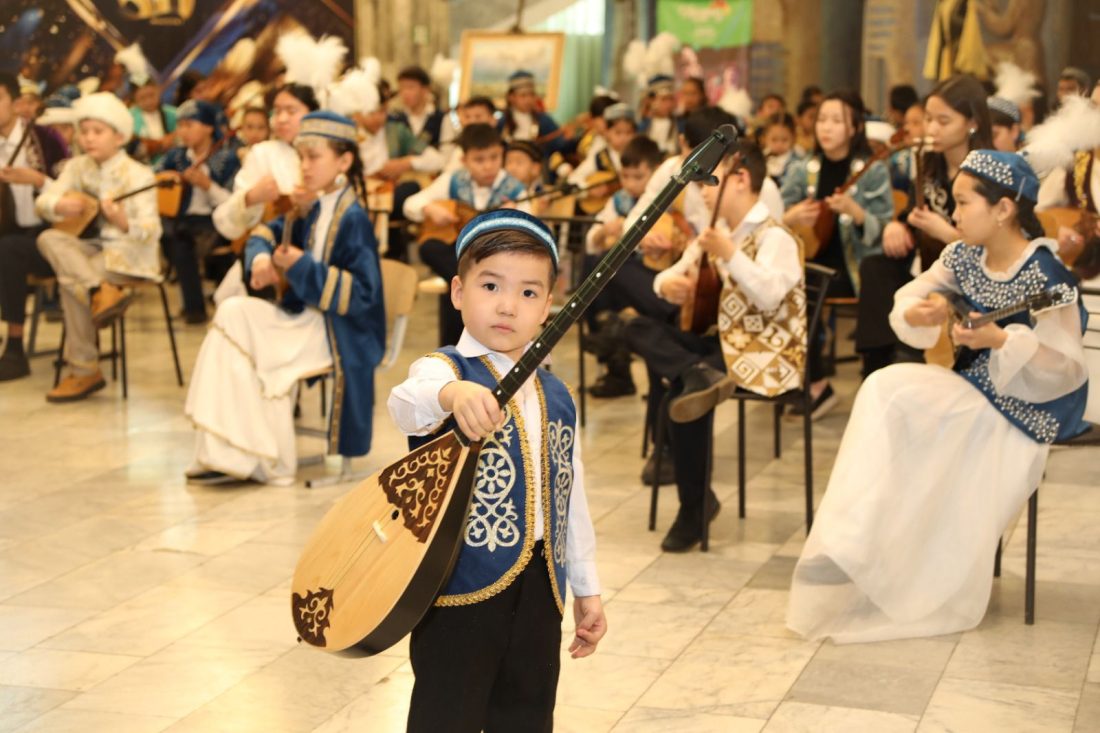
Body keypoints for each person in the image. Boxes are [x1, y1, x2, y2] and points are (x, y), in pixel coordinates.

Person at [787, 149, 1089, 643]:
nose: (955, 214)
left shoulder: (1045, 273)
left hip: (1029, 408)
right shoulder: (964, 255)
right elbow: (911, 294)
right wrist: (919, 311)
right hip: (975, 388)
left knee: (925, 420)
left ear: (1003, 209)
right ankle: (852, 542)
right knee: (885, 387)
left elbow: (1067, 367)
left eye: (964, 203)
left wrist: (1002, 340)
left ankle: (890, 558)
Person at [388, 209, 605, 732]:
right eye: (491, 286)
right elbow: (406, 403)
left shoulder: (557, 394)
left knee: (528, 715)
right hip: (457, 589)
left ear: (548, 306)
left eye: (529, 292)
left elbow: (569, 495)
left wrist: (586, 585)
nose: (508, 305)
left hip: (540, 591)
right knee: (446, 716)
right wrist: (452, 395)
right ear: (458, 291)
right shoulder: (444, 370)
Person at [184, 111, 384, 486]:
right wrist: (261, 258)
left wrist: (302, 267)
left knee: (245, 333)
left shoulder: (352, 218)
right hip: (304, 318)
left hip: (338, 332)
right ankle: (228, 452)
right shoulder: (311, 206)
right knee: (231, 312)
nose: (304, 166)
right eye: (301, 157)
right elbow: (264, 232)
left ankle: (266, 458)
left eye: (314, 157)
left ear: (344, 162)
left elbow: (363, 296)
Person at [625, 141, 804, 551]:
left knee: (686, 396)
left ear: (740, 179)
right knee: (635, 327)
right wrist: (667, 285)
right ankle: (694, 372)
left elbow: (771, 298)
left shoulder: (777, 236)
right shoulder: (715, 232)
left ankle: (694, 507)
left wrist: (731, 255)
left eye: (710, 181)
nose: (701, 190)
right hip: (716, 345)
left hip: (763, 350)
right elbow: (667, 276)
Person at [35, 92, 162, 402]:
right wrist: (59, 205)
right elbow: (44, 202)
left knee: (70, 281)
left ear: (119, 136)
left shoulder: (139, 174)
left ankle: (84, 370)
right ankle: (98, 292)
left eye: (97, 131)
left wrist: (123, 221)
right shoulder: (77, 167)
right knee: (48, 238)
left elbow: (152, 231)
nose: (88, 138)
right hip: (86, 249)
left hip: (128, 254)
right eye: (84, 131)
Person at [780, 90, 894, 410]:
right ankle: (814, 382)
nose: (826, 127)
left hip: (854, 268)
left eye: (836, 120)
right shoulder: (802, 168)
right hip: (811, 264)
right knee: (788, 285)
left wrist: (856, 213)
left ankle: (872, 380)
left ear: (855, 127)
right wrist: (792, 216)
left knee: (874, 277)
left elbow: (885, 227)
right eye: (822, 120)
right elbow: (775, 219)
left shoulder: (872, 170)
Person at [404, 123, 528, 347]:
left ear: (502, 153)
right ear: (464, 160)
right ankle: (471, 288)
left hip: (497, 261)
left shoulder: (515, 189)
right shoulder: (453, 179)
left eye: (494, 157)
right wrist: (430, 209)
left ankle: (453, 345)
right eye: (479, 160)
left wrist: (513, 216)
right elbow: (410, 203)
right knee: (429, 247)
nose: (488, 166)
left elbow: (529, 234)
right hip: (461, 257)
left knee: (453, 288)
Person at [582, 135, 667, 400]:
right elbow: (591, 240)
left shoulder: (666, 198)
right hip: (624, 277)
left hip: (654, 274)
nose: (630, 184)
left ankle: (609, 339)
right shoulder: (619, 200)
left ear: (656, 172)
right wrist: (602, 232)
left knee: (602, 269)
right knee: (594, 264)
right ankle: (614, 355)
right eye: (625, 176)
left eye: (638, 177)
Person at [0, 72, 70, 382]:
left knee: (8, 250)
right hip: (8, 234)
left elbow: (73, 194)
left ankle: (14, 347)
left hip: (51, 236)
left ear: (16, 103)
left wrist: (38, 180)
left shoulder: (47, 139)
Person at [156, 99, 240, 324]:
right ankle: (194, 308)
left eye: (189, 125)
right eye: (180, 125)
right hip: (183, 220)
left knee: (188, 242)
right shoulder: (176, 157)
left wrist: (207, 185)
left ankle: (210, 306)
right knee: (173, 237)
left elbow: (235, 202)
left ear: (208, 127)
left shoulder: (226, 158)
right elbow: (154, 178)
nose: (182, 131)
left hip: (215, 220)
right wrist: (172, 180)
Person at [756, 112, 800, 187]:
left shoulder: (796, 163)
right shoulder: (761, 157)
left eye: (784, 140)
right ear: (765, 138)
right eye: (774, 139)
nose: (779, 145)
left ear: (793, 138)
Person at [639, 75, 679, 155]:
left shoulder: (679, 125)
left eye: (670, 99)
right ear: (651, 101)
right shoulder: (643, 126)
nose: (668, 104)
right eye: (664, 99)